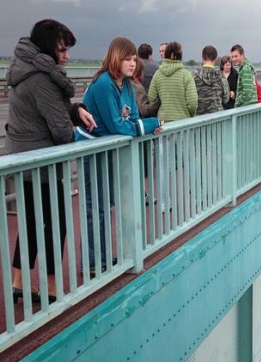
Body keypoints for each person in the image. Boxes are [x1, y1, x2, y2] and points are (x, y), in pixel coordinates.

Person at [6, 19, 96, 303]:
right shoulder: (43, 78)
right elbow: (59, 130)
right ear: (48, 47)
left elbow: (48, 109)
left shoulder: (24, 69)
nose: (66, 55)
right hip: (42, 161)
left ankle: (19, 283)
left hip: (24, 158)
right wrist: (73, 129)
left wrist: (76, 109)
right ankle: (53, 288)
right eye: (62, 49)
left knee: (32, 222)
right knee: (56, 225)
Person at [74, 37, 163, 275]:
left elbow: (132, 118)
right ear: (116, 58)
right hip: (92, 149)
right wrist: (150, 124)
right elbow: (116, 125)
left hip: (108, 150)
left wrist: (139, 125)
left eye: (134, 59)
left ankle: (104, 257)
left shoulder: (126, 86)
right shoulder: (104, 84)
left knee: (109, 205)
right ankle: (93, 263)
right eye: (127, 59)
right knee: (97, 207)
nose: (133, 64)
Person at [149, 41, 198, 121]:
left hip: (162, 123)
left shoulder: (157, 74)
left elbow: (151, 98)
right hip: (183, 122)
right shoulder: (186, 75)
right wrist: (188, 115)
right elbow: (192, 103)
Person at [193, 45, 229, 115]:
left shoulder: (194, 75)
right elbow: (226, 99)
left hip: (198, 118)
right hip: (217, 118)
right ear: (215, 59)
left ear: (202, 58)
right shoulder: (221, 76)